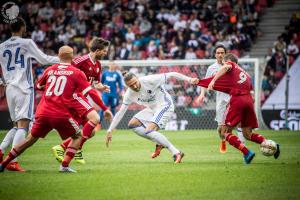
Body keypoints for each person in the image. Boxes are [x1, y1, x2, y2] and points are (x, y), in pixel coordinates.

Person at [0, 46, 101, 173]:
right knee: (78, 137)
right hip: (60, 113)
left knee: (29, 139)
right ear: (72, 56)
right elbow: (88, 90)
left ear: (59, 56)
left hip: (43, 112)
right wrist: (103, 107)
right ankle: (64, 166)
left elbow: (39, 85)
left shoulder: (50, 69)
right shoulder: (77, 72)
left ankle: (4, 163)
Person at [197, 53, 280, 164]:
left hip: (238, 100)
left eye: (224, 62)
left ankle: (247, 153)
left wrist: (213, 81)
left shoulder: (230, 65)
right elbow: (252, 95)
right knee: (247, 134)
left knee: (224, 132)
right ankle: (272, 145)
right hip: (249, 101)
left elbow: (226, 67)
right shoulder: (246, 74)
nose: (223, 65)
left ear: (229, 61)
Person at [0, 17, 59, 171]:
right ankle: (13, 161)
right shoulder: (26, 43)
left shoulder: (2, 46)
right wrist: (64, 60)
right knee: (23, 126)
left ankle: (1, 150)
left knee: (15, 125)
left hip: (9, 88)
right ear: (22, 28)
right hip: (24, 87)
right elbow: (44, 59)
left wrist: (2, 81)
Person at [105, 71, 199, 163]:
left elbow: (172, 74)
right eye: (131, 85)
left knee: (148, 130)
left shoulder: (149, 80)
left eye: (135, 83)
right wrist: (110, 130)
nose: (134, 86)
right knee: (133, 124)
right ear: (127, 86)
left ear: (138, 78)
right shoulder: (129, 94)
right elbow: (120, 112)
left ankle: (176, 152)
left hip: (165, 105)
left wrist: (189, 79)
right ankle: (160, 142)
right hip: (152, 109)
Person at [51, 37, 113, 164]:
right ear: (97, 50)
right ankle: (64, 148)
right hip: (73, 97)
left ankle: (76, 149)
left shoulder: (98, 65)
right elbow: (65, 70)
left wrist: (102, 87)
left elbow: (95, 83)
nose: (105, 53)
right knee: (94, 120)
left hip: (82, 96)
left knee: (91, 131)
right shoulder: (80, 61)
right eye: (104, 51)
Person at [196, 45, 245, 153]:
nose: (220, 55)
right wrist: (202, 94)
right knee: (221, 129)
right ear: (215, 54)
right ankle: (223, 140)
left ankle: (243, 147)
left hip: (234, 97)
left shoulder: (232, 66)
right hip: (221, 99)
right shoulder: (211, 68)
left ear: (225, 54)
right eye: (218, 53)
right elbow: (205, 83)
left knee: (240, 122)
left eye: (222, 53)